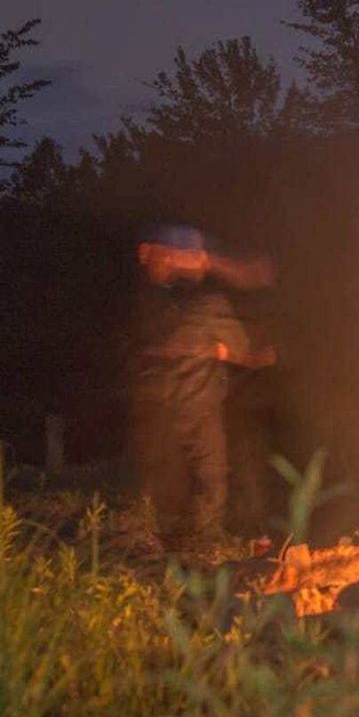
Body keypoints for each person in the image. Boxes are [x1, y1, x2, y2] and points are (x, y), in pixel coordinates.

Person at [130, 224, 275, 553]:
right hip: (197, 401)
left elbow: (256, 281)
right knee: (211, 475)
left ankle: (186, 541)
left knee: (184, 476)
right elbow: (251, 350)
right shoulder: (204, 303)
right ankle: (201, 544)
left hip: (170, 403)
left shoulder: (175, 298)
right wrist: (234, 352)